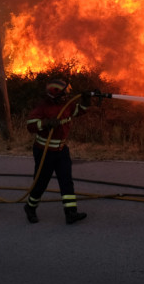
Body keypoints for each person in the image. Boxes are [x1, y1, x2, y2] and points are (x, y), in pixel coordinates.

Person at [24, 79, 94, 225]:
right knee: (41, 182)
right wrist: (45, 123)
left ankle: (70, 213)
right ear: (54, 95)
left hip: (61, 150)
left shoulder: (66, 106)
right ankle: (30, 208)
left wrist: (86, 100)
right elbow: (30, 125)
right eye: (63, 94)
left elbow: (79, 110)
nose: (66, 97)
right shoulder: (42, 108)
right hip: (44, 152)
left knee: (66, 181)